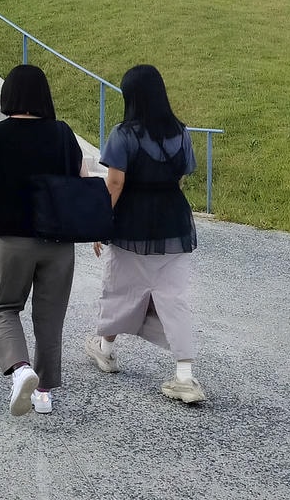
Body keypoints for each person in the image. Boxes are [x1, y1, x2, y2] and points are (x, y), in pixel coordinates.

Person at [0, 64, 87, 416]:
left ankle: (21, 370)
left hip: (12, 240)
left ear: (9, 95)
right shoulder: (63, 134)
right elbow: (82, 180)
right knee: (50, 319)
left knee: (4, 308)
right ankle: (44, 393)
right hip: (60, 243)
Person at [84, 64, 206, 404]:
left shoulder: (123, 134)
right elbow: (181, 177)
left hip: (130, 226)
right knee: (174, 298)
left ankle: (106, 349)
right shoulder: (180, 132)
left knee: (119, 289)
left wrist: (99, 222)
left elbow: (115, 183)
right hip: (174, 226)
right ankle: (184, 376)